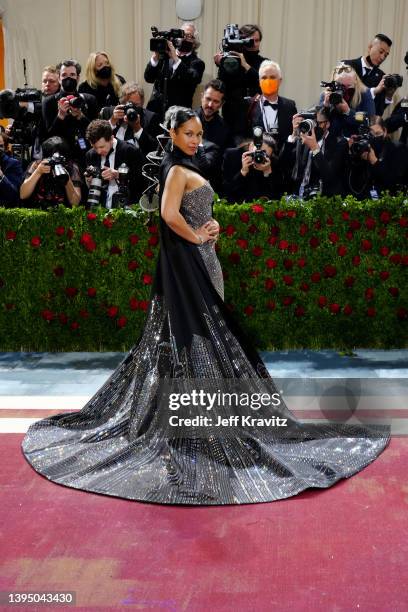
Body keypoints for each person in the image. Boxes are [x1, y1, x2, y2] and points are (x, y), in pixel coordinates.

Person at [21, 106, 390, 505]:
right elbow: (167, 214)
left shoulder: (181, 166)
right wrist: (198, 238)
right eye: (190, 134)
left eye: (199, 134)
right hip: (194, 262)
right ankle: (200, 427)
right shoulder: (177, 170)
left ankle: (200, 416)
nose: (197, 140)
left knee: (202, 338)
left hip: (203, 258)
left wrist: (207, 229)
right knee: (199, 339)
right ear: (173, 133)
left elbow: (188, 213)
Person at [281, 106, 348, 198]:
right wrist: (293, 135)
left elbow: (330, 176)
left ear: (327, 124)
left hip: (323, 199)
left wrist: (314, 148)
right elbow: (283, 165)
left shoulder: (339, 143)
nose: (314, 126)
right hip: (297, 195)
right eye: (311, 122)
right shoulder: (302, 138)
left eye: (317, 122)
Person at [215, 24, 267, 138]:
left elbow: (264, 85)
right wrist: (222, 65)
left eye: (257, 40)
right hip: (233, 116)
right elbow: (223, 85)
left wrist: (245, 65)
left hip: (256, 116)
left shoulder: (264, 63)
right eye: (251, 41)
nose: (254, 44)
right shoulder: (231, 61)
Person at [42, 59, 98, 167]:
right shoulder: (49, 102)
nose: (68, 78)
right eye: (64, 75)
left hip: (85, 154)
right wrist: (60, 116)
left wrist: (80, 116)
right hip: (59, 157)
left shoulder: (89, 100)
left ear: (78, 78)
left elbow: (97, 132)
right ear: (59, 78)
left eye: (72, 74)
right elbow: (47, 137)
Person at [144, 22, 205, 118]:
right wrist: (155, 57)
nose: (184, 38)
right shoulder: (164, 57)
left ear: (194, 43)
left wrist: (175, 58)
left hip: (178, 115)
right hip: (155, 112)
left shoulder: (197, 63)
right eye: (182, 34)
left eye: (189, 36)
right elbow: (148, 78)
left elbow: (192, 78)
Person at [85, 119, 144, 208]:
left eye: (102, 147)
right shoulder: (90, 155)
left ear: (112, 138)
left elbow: (142, 181)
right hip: (100, 208)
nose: (98, 151)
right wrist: (88, 180)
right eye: (95, 147)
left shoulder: (130, 151)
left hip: (127, 207)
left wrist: (118, 175)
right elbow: (90, 188)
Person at [100, 82, 161, 156]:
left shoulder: (151, 118)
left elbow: (154, 149)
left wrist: (138, 129)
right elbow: (99, 140)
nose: (133, 109)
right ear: (121, 103)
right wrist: (112, 122)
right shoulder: (108, 112)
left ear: (142, 103)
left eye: (136, 105)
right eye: (130, 105)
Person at [248, 60, 297, 152]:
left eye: (272, 77)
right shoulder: (249, 105)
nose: (268, 81)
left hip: (283, 160)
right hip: (256, 158)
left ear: (280, 81)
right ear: (259, 81)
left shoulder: (290, 106)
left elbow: (293, 135)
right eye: (264, 77)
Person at [20, 136, 82, 208]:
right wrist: (38, 172)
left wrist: (66, 179)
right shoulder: (37, 165)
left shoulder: (71, 167)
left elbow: (75, 202)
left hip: (63, 213)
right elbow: (23, 195)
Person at [222, 132, 284, 202]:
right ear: (251, 145)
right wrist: (243, 172)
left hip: (260, 207)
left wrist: (267, 172)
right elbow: (227, 190)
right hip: (237, 205)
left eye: (265, 155)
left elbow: (277, 196)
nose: (260, 157)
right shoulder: (232, 155)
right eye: (260, 152)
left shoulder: (271, 162)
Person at [319, 64, 375, 138]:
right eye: (341, 86)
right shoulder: (327, 94)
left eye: (348, 86)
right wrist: (325, 106)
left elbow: (369, 119)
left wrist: (348, 111)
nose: (344, 89)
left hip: (355, 139)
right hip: (333, 140)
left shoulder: (364, 94)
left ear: (355, 81)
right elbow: (320, 121)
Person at [342, 33, 393, 116]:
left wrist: (388, 96)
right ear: (370, 47)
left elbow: (378, 112)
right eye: (381, 52)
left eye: (386, 55)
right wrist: (374, 91)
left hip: (367, 126)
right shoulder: (347, 66)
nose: (382, 57)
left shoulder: (382, 77)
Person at [0, 132, 24, 206]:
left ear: (6, 148)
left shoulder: (13, 164)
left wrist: (1, 176)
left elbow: (14, 194)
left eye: (0, 146)